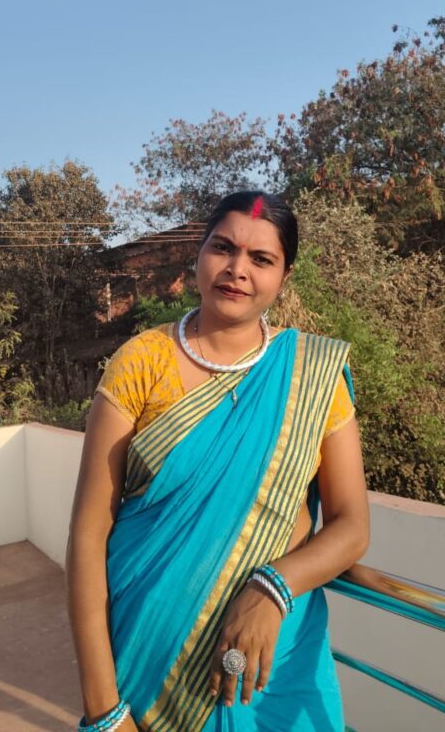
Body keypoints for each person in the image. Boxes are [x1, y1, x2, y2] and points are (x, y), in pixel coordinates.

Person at [66, 191, 370, 732]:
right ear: (199, 255)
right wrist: (104, 709)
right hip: (144, 663)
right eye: (223, 248)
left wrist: (272, 587)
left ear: (285, 276)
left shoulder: (313, 375)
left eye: (261, 258)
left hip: (276, 661)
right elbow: (89, 535)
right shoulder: (142, 362)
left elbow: (351, 526)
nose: (237, 270)